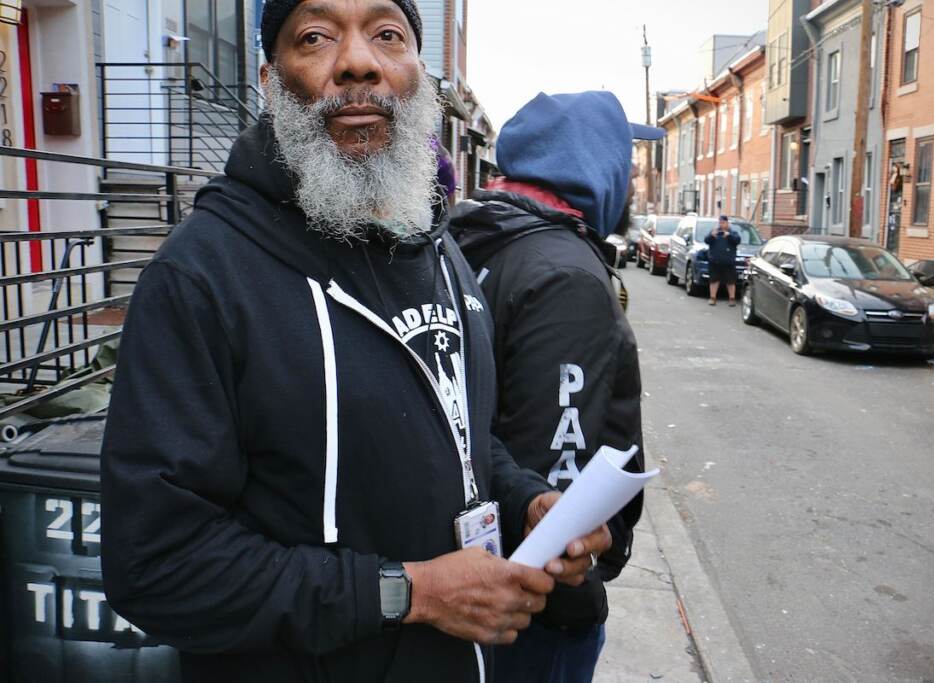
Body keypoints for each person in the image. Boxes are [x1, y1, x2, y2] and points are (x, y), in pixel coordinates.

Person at [99, 1, 611, 681]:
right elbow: (156, 565)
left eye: (386, 34)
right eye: (315, 36)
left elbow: (458, 431)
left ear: (416, 74)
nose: (358, 60)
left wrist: (527, 502)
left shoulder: (434, 245)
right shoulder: (200, 277)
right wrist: (409, 591)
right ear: (269, 77)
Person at [449, 91, 654, 683]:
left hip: (478, 579)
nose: (633, 179)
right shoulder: (565, 273)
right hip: (533, 613)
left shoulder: (475, 237)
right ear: (596, 166)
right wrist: (573, 602)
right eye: (628, 162)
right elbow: (557, 483)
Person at [705, 215, 742, 306]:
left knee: (730, 281)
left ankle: (732, 299)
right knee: (714, 280)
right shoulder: (714, 232)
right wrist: (711, 236)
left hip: (728, 261)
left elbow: (737, 240)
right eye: (720, 222)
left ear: (727, 223)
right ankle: (713, 298)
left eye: (723, 222)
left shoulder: (733, 233)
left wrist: (729, 236)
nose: (721, 224)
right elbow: (706, 240)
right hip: (715, 261)